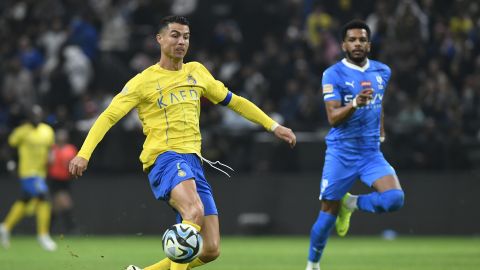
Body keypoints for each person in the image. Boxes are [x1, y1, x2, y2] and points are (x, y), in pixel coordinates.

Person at [68, 15, 296, 270]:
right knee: (193, 213)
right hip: (165, 158)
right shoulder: (143, 81)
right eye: (175, 35)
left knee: (210, 250)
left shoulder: (196, 72)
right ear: (160, 39)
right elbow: (109, 116)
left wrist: (273, 126)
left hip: (193, 162)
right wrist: (84, 153)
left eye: (186, 37)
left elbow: (236, 101)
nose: (181, 42)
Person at [305, 20, 405, 270]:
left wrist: (381, 128)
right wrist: (354, 104)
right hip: (341, 153)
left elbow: (378, 103)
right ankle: (313, 264)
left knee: (395, 199)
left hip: (371, 153)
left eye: (362, 39)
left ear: (369, 45)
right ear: (343, 45)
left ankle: (352, 203)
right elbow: (333, 118)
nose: (357, 44)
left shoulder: (383, 71)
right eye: (352, 40)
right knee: (326, 215)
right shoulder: (332, 74)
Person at [0, 105, 57, 251]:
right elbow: (8, 147)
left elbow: (51, 148)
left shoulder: (47, 130)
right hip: (27, 172)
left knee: (25, 200)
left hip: (40, 173)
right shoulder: (22, 131)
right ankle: (43, 235)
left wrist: (51, 157)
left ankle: (5, 227)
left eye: (38, 116)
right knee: (44, 197)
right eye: (33, 116)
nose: (36, 119)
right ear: (29, 117)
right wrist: (11, 162)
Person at [48, 128, 78, 234]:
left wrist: (69, 166)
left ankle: (47, 230)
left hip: (65, 180)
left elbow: (74, 162)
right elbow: (49, 163)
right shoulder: (53, 149)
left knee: (56, 207)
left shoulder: (70, 149)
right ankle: (72, 229)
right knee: (66, 203)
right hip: (55, 180)